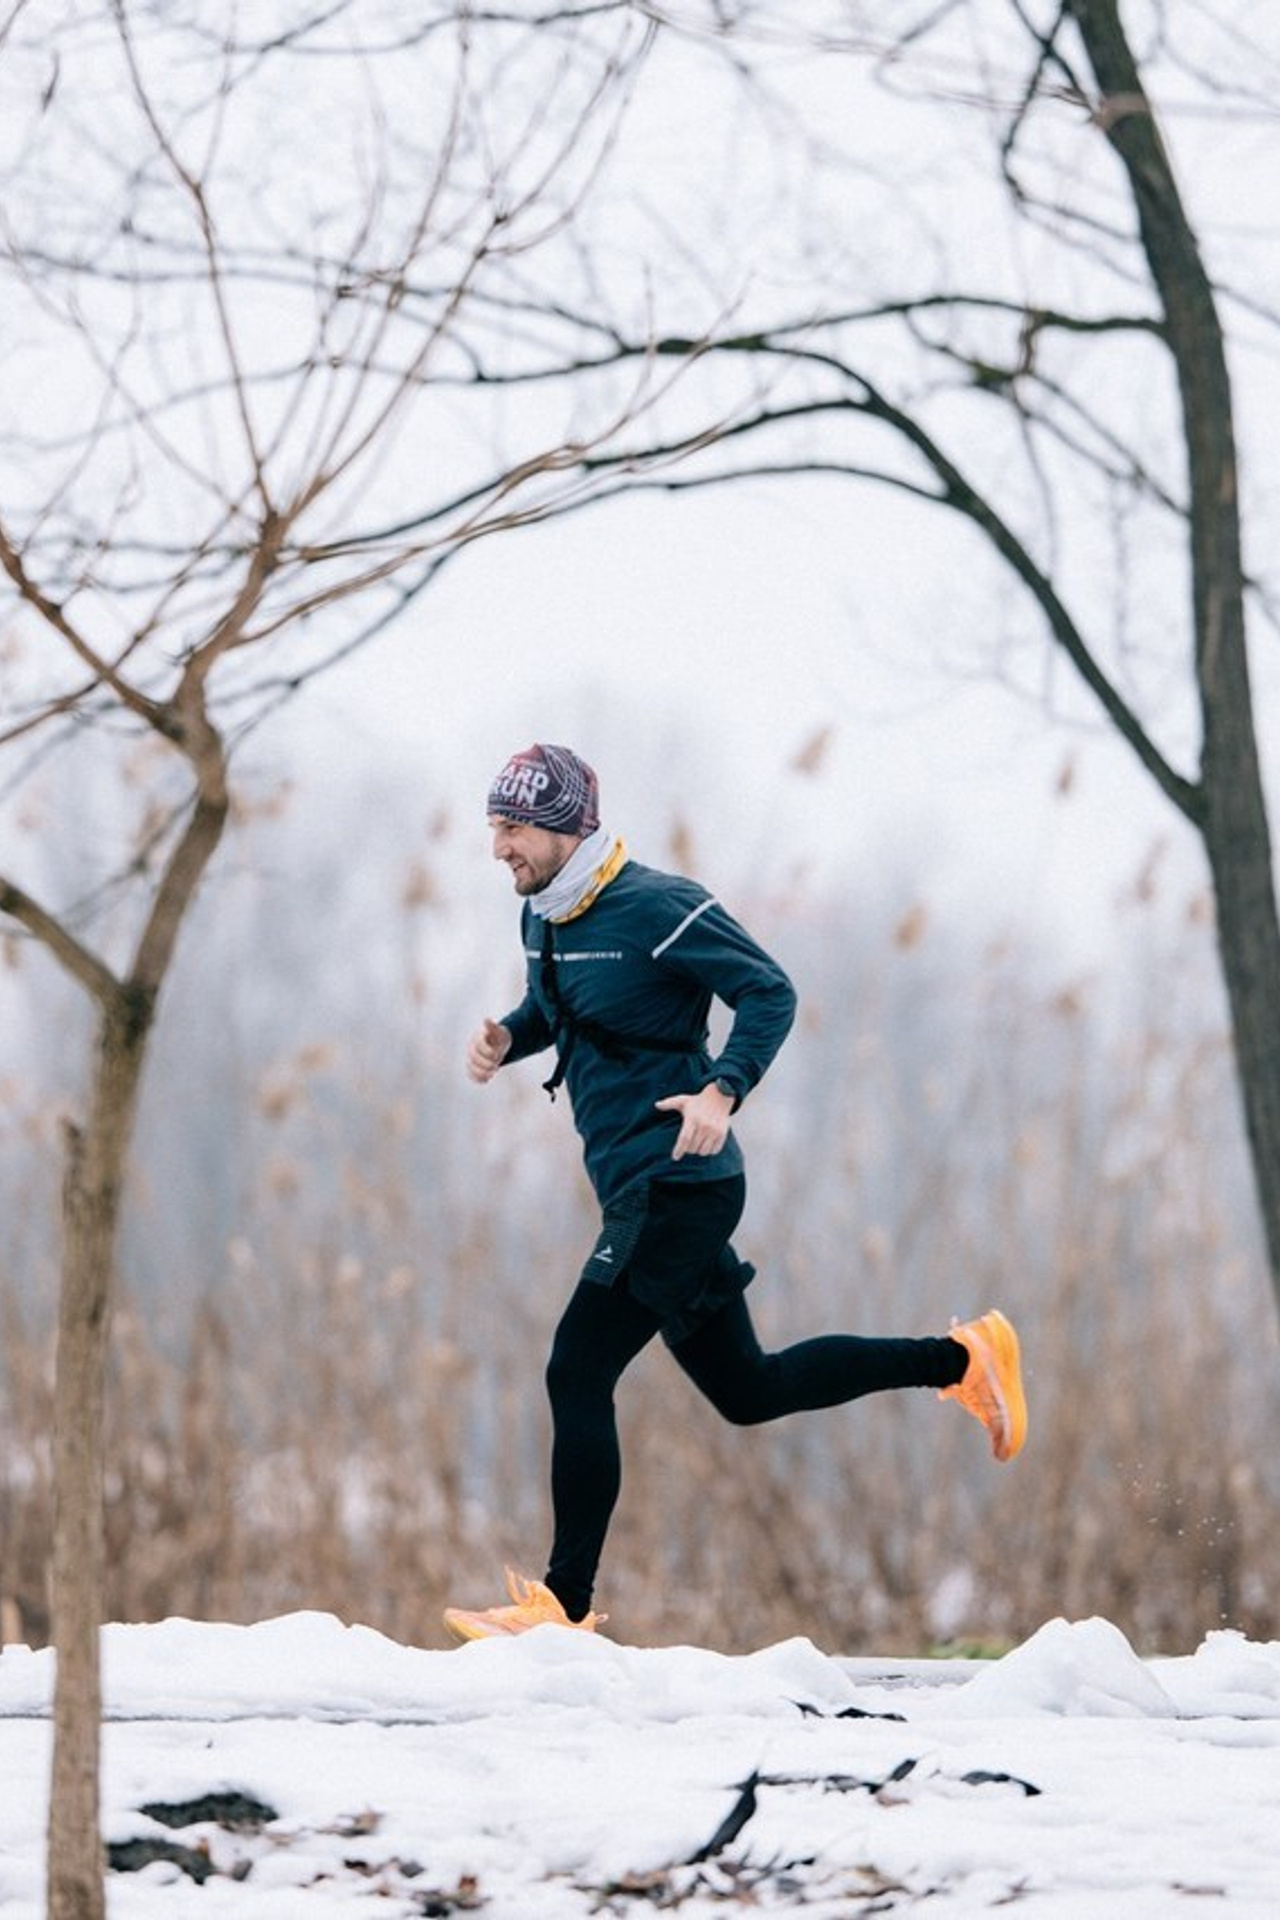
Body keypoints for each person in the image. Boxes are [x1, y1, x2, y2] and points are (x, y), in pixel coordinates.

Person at [443, 744, 1026, 1641]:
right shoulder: (543, 918)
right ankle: (964, 1361)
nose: (497, 849)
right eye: (493, 827)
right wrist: (506, 1039)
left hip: (678, 1183)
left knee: (577, 1366)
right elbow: (558, 1008)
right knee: (750, 1388)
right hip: (638, 1187)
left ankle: (560, 1608)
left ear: (565, 828)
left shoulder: (659, 907)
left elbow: (769, 992)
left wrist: (724, 1089)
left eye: (513, 829)